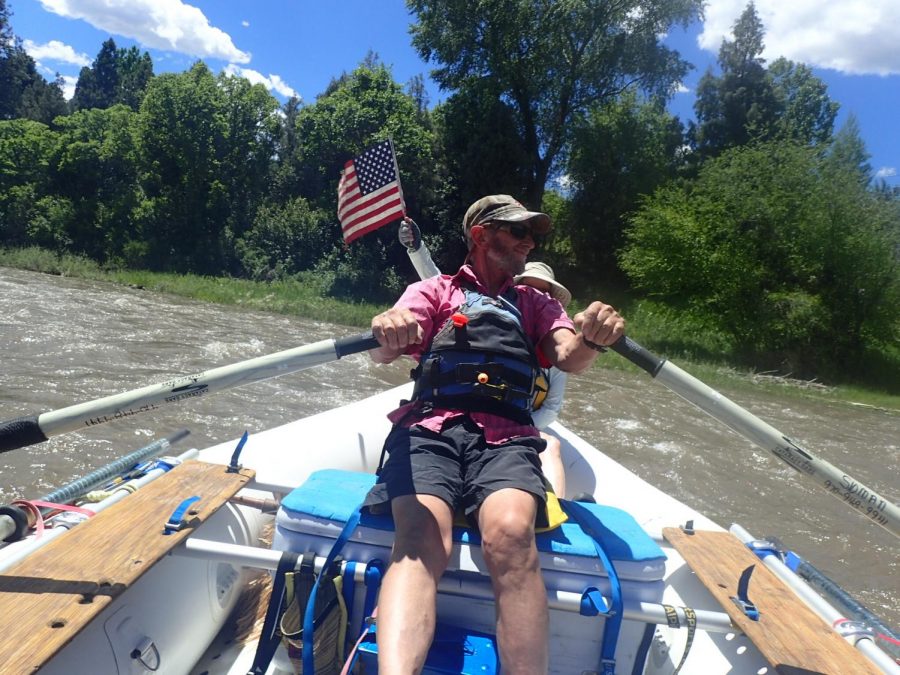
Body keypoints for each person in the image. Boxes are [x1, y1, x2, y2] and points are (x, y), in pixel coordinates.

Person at [368, 195, 625, 674]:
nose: (529, 241)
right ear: (481, 235)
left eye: (533, 234)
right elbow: (387, 347)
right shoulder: (435, 292)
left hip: (507, 437)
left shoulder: (536, 302)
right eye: (517, 231)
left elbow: (568, 354)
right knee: (422, 534)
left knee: (510, 536)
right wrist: (388, 329)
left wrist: (591, 338)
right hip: (430, 427)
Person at [399, 219, 569, 498]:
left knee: (551, 444)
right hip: (457, 416)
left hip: (521, 422)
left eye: (543, 291)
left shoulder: (551, 335)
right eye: (530, 287)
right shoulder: (495, 305)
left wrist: (522, 423)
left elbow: (551, 408)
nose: (535, 294)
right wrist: (416, 248)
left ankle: (556, 500)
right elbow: (436, 280)